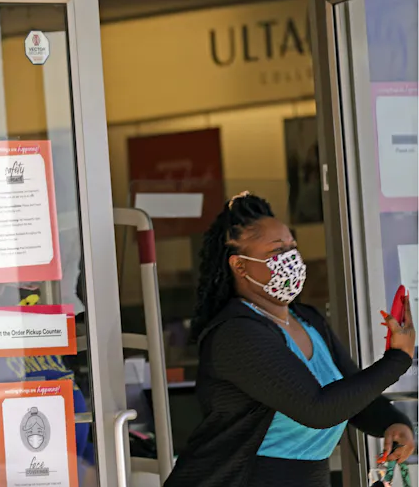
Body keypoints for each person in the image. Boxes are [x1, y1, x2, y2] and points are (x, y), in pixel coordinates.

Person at [164, 192, 416, 487]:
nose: (289, 259)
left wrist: (393, 423)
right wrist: (398, 359)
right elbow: (318, 409)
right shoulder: (237, 334)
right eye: (275, 251)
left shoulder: (308, 320)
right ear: (240, 266)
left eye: (291, 247)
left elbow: (353, 398)